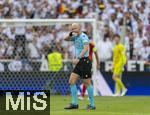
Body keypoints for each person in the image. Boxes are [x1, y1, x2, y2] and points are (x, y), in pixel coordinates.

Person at [64, 23, 96, 110]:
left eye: (75, 28)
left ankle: (92, 104)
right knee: (71, 81)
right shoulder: (75, 37)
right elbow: (65, 39)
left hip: (84, 61)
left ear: (79, 28)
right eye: (72, 28)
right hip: (79, 62)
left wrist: (78, 58)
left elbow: (86, 48)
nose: (73, 30)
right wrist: (70, 34)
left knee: (87, 83)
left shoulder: (83, 36)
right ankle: (74, 103)